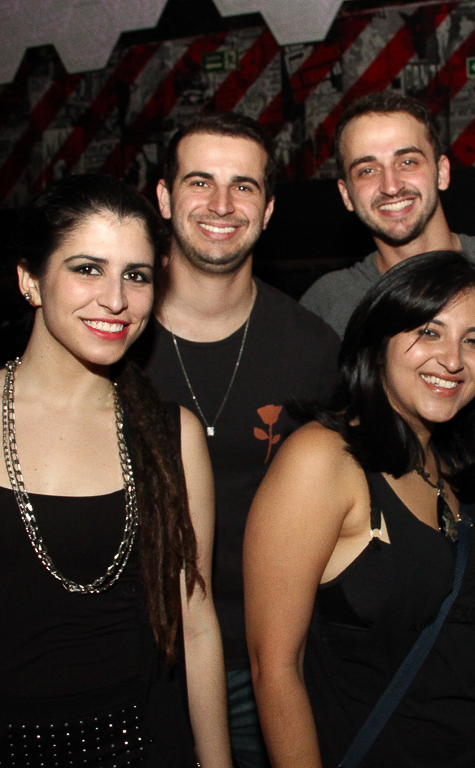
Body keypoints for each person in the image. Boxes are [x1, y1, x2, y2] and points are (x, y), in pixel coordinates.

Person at [0, 174, 230, 767]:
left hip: (135, 749)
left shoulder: (170, 436)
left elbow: (195, 625)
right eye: (88, 269)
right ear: (30, 280)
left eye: (136, 276)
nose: (115, 299)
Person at [246, 251, 475, 768]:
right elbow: (275, 668)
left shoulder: (458, 470)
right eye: (429, 332)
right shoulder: (322, 459)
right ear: (378, 343)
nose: (453, 360)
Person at [134, 112, 340, 768]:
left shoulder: (312, 349)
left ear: (268, 209)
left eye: (244, 186)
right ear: (164, 197)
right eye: (200, 182)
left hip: (268, 664)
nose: (222, 204)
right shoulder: (110, 334)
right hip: (132, 658)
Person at [300, 90, 475, 528]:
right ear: (345, 193)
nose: (391, 185)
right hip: (404, 556)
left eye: (408, 161)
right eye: (367, 170)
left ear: (442, 171)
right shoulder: (327, 308)